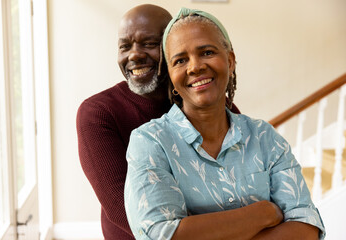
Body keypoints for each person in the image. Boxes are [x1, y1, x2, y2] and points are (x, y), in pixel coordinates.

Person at [124, 7, 325, 240]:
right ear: (170, 74)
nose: (195, 66)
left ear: (230, 60)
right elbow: (161, 234)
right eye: (180, 60)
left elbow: (306, 227)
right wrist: (264, 213)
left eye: (207, 52)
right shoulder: (150, 142)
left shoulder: (264, 137)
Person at [76, 4, 241, 239]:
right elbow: (130, 216)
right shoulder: (98, 113)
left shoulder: (209, 102)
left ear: (172, 47)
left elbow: (243, 182)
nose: (134, 54)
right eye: (125, 46)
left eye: (149, 44)